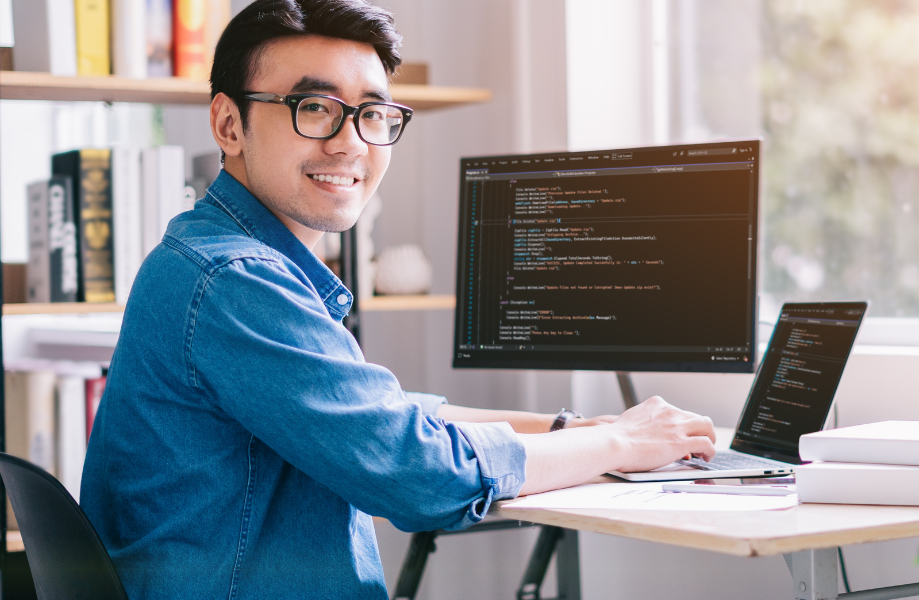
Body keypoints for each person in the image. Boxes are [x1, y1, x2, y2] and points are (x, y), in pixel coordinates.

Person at [79, 0, 717, 597]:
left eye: (372, 114)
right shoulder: (235, 280)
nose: (352, 141)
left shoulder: (210, 254)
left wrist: (571, 430)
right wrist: (625, 446)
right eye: (315, 107)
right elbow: (418, 472)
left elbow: (374, 413)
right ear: (229, 124)